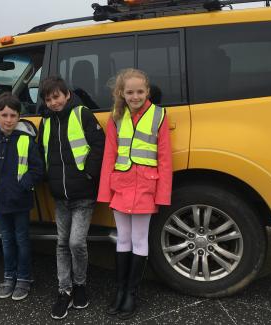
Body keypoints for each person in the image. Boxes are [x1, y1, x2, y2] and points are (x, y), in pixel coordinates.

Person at [97, 68, 173, 319]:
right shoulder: (115, 117)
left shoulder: (159, 116)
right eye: (130, 92)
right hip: (121, 187)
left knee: (140, 241)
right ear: (121, 93)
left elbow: (165, 159)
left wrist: (162, 196)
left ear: (147, 91)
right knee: (123, 239)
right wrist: (105, 193)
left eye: (140, 91)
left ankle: (131, 293)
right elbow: (109, 156)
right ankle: (119, 290)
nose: (135, 96)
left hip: (146, 190)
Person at [37, 76, 106, 320]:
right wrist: (46, 177)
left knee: (77, 243)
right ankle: (64, 291)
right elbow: (41, 152)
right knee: (61, 243)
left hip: (83, 195)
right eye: (48, 99)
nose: (53, 103)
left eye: (56, 97)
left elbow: (99, 144)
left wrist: (89, 173)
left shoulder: (82, 114)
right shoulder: (46, 123)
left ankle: (80, 285)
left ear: (66, 94)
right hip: (60, 197)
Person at [0, 92, 43, 301]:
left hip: (20, 201)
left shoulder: (25, 141)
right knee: (7, 240)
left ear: (19, 117)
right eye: (4, 115)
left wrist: (23, 186)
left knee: (22, 240)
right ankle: (9, 276)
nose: (8, 120)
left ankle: (24, 278)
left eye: (13, 115)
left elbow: (37, 169)